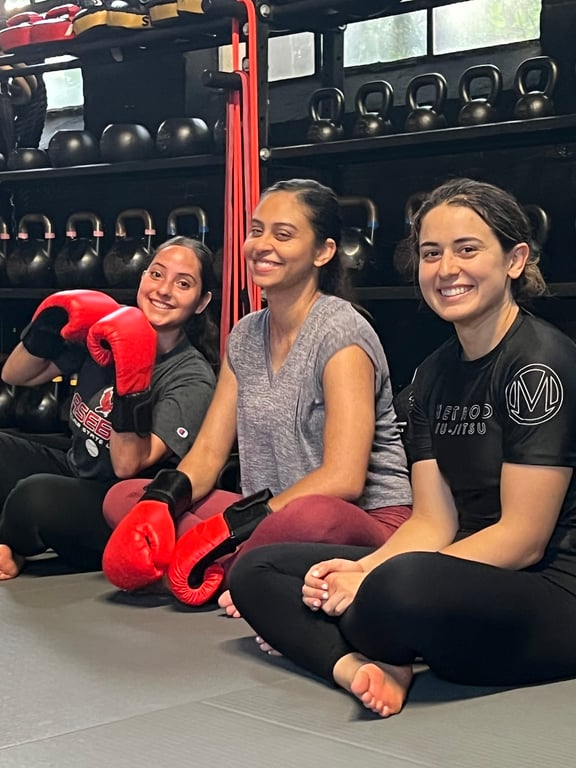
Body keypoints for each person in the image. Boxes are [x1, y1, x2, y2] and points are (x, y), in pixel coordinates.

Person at [228, 177, 576, 718]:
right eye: (431, 253)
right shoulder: (432, 375)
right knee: (258, 571)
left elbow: (523, 540)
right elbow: (432, 521)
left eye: (467, 250)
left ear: (515, 260)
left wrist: (370, 577)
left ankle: (364, 634)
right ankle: (360, 666)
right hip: (458, 571)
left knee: (399, 584)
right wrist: (363, 569)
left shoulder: (539, 363)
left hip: (551, 587)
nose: (447, 269)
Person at [102, 178, 412, 611]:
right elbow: (208, 454)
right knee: (128, 498)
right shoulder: (245, 335)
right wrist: (162, 502)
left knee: (311, 516)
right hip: (265, 517)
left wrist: (229, 527)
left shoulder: (341, 333)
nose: (262, 245)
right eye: (256, 230)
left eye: (283, 235)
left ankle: (228, 568)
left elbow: (343, 478)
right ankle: (242, 570)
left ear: (323, 252)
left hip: (358, 520)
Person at [0, 236, 218, 580]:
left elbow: (126, 465)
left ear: (201, 301)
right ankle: (11, 542)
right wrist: (46, 329)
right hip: (75, 470)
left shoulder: (191, 377)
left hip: (119, 506)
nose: (164, 290)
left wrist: (131, 373)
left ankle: (14, 543)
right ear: (142, 278)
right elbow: (15, 374)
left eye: (183, 283)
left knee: (33, 497)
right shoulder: (106, 332)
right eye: (157, 274)